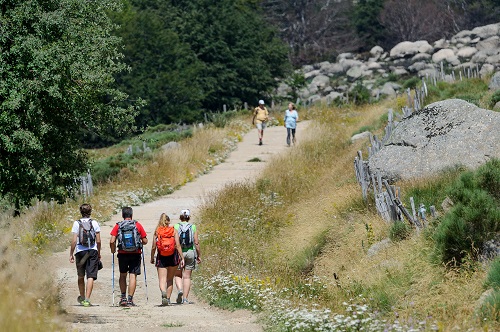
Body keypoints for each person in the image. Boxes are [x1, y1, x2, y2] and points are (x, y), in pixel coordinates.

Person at [110, 206, 148, 307]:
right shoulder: (137, 225)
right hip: (135, 253)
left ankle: (123, 298)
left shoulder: (118, 226)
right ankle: (130, 300)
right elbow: (145, 241)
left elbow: (112, 240)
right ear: (131, 215)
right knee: (132, 276)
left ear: (123, 215)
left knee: (122, 275)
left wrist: (113, 249)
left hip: (122, 254)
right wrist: (140, 241)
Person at [69, 203, 101, 307]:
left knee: (80, 275)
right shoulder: (94, 223)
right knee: (91, 275)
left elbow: (74, 241)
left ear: (81, 212)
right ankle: (87, 299)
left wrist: (71, 253)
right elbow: (99, 240)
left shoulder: (77, 223)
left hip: (80, 251)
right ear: (90, 212)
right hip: (92, 251)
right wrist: (98, 252)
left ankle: (82, 297)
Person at [150, 213, 185, 306]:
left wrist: (152, 257)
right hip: (173, 257)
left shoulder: (157, 231)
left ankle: (163, 293)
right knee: (170, 279)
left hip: (161, 257)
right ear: (168, 221)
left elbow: (153, 247)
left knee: (162, 279)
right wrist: (182, 258)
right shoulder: (174, 231)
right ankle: (168, 299)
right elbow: (178, 245)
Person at [174, 209, 201, 304]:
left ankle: (180, 290)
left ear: (180, 217)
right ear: (189, 217)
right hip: (190, 252)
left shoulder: (176, 226)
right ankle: (185, 299)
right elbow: (196, 242)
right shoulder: (193, 227)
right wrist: (198, 255)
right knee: (187, 277)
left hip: (178, 252)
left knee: (177, 274)